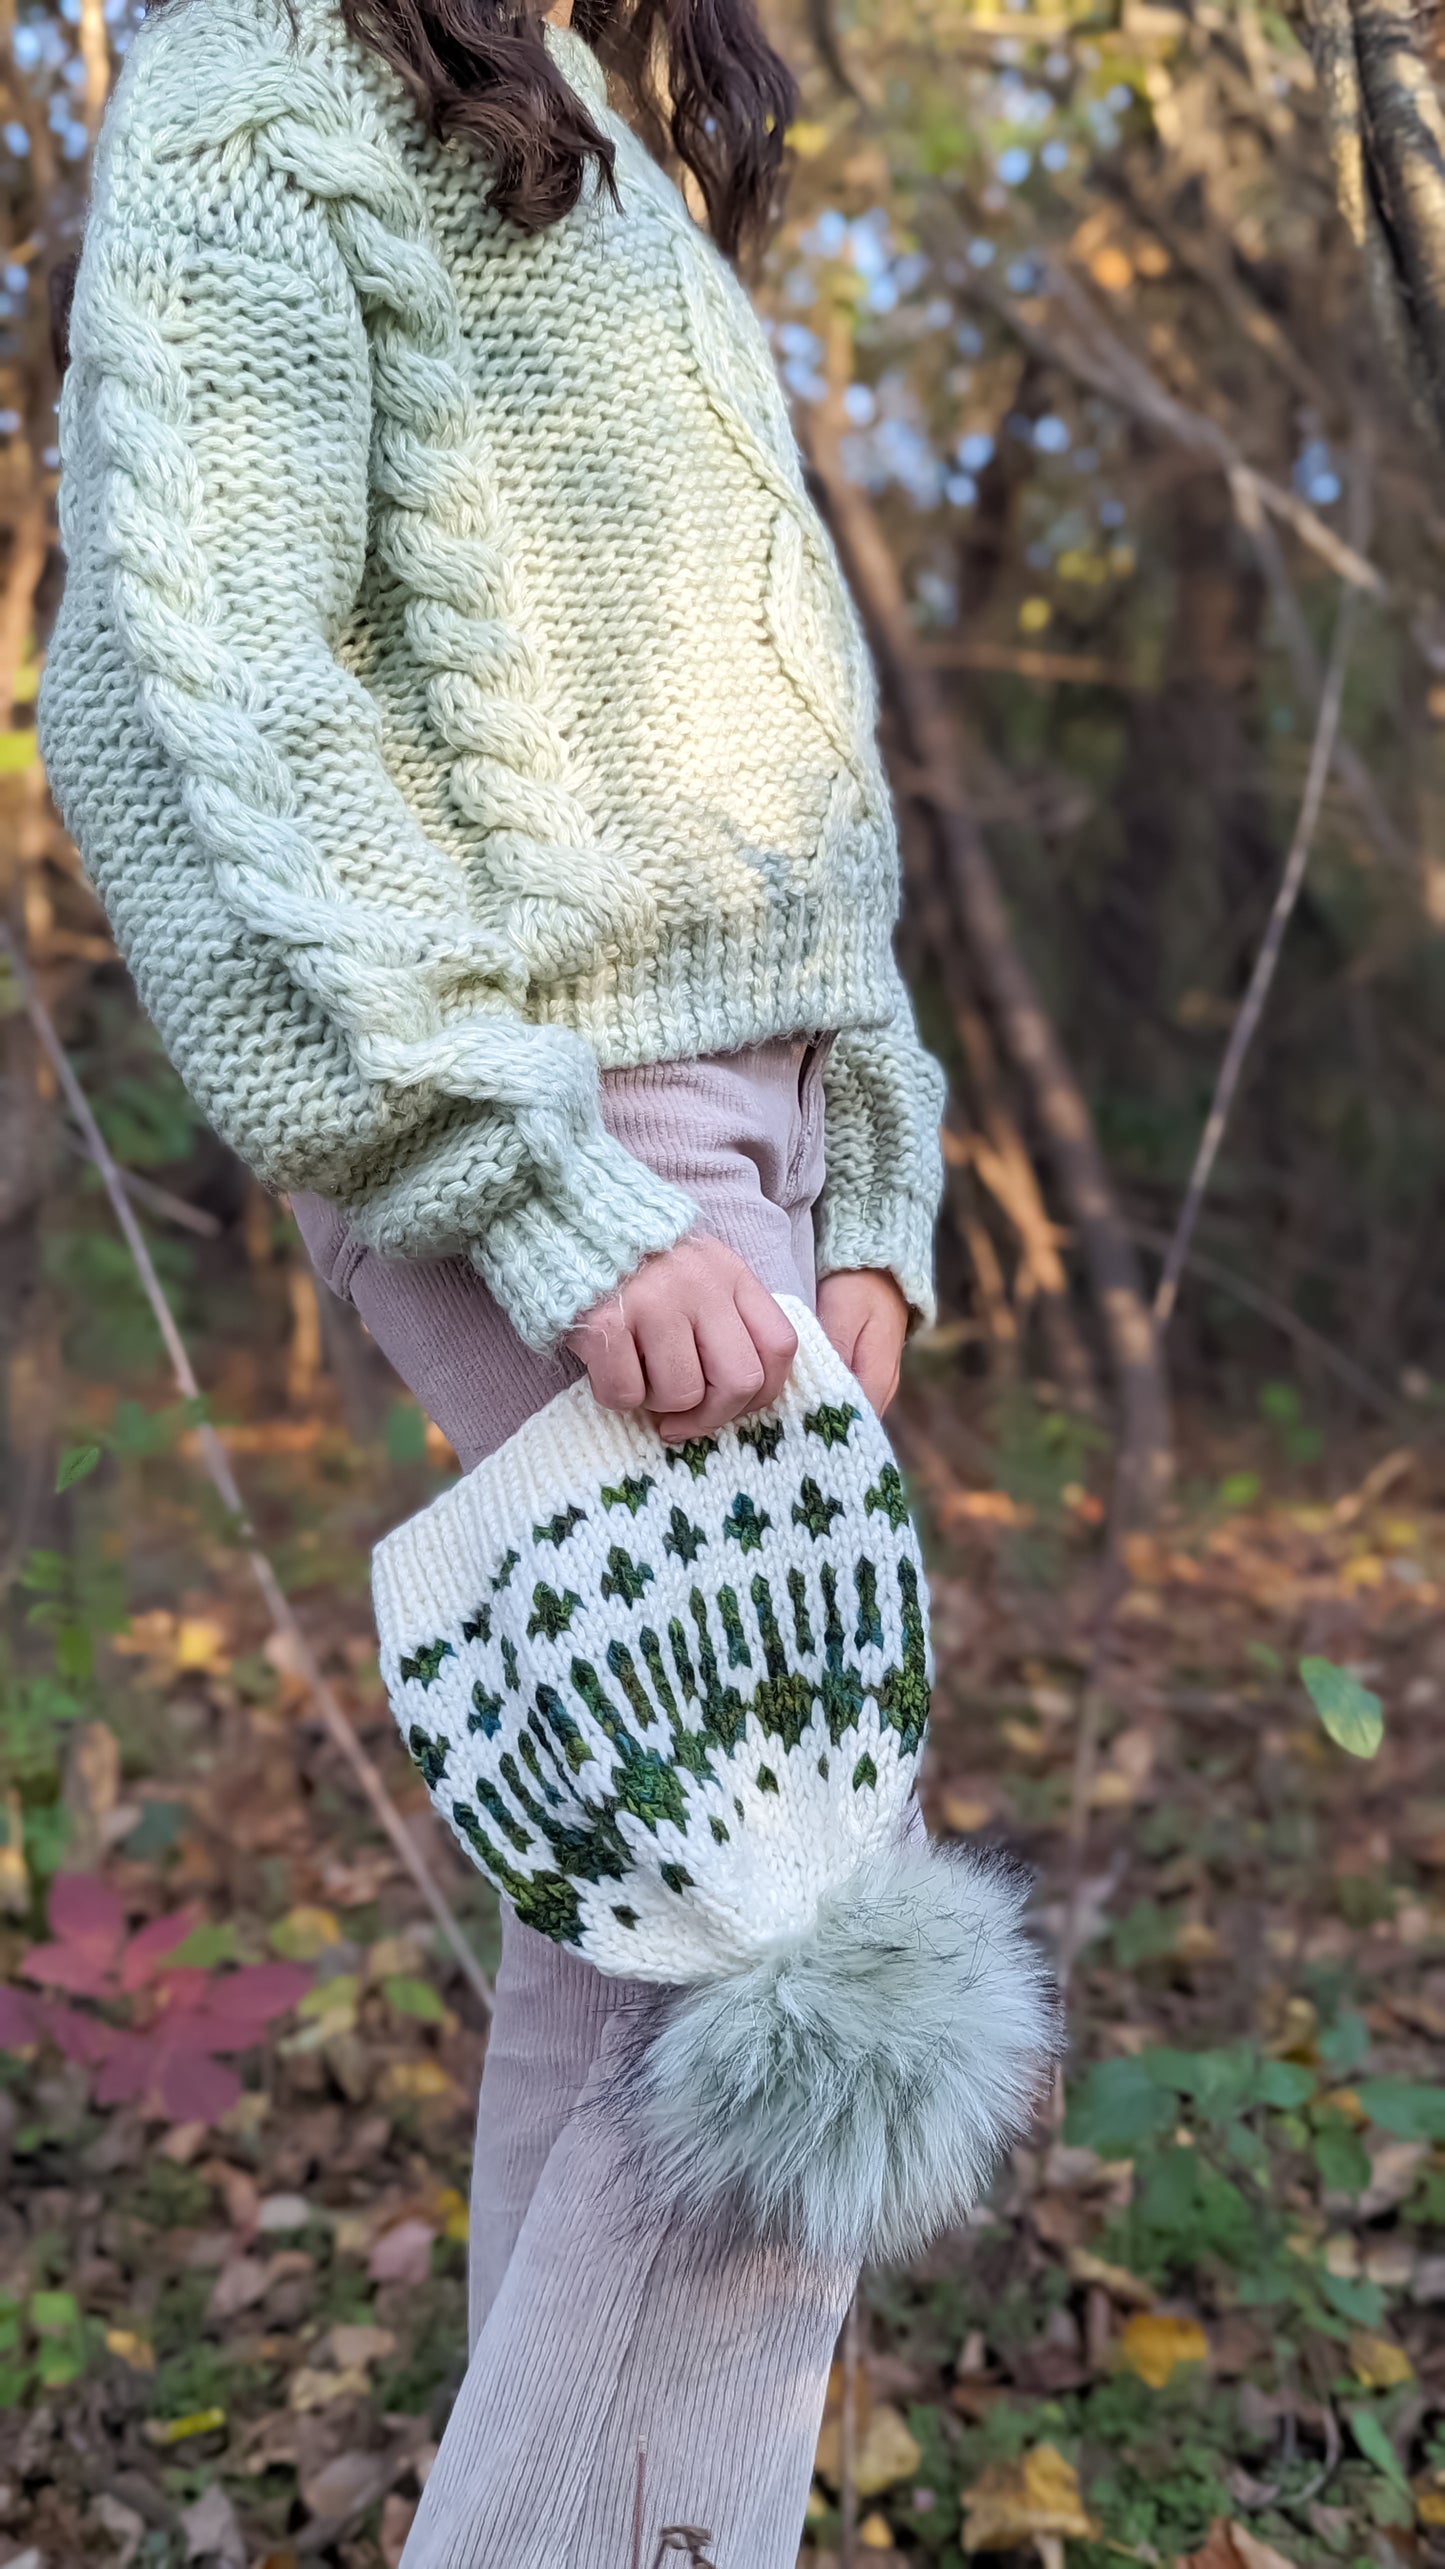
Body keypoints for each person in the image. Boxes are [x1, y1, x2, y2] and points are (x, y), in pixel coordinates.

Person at [39, 0, 952, 2550]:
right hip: (560, 1107)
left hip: (736, 1117)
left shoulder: (575, 100)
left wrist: (870, 1144)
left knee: (652, 1913)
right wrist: (540, 1187)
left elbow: (757, 709)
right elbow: (195, 684)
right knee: (776, 1917)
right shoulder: (260, 87)